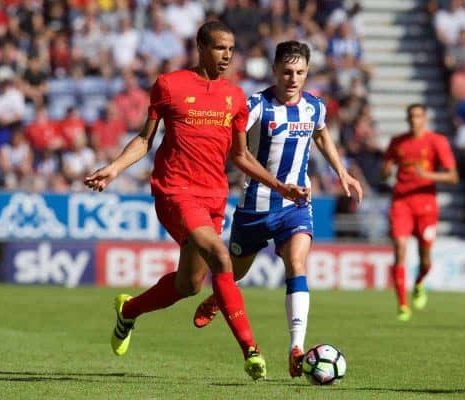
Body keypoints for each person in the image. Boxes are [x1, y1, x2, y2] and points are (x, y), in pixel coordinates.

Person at [83, 21, 309, 381]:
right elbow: (145, 139)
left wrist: (281, 187)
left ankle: (129, 310)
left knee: (189, 285)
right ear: (201, 47)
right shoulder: (169, 85)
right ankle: (251, 350)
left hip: (213, 196)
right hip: (175, 191)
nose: (227, 56)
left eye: (231, 50)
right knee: (221, 255)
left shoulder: (234, 97)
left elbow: (241, 156)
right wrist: (113, 169)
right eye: (220, 48)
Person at [191, 41, 363, 378]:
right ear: (274, 71)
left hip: (294, 206)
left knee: (296, 263)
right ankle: (218, 299)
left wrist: (341, 172)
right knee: (235, 273)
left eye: (299, 72)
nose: (293, 78)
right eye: (286, 71)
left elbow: (322, 135)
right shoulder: (257, 105)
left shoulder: (314, 107)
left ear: (307, 72)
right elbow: (234, 149)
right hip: (254, 207)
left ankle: (296, 346)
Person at [381, 104, 458, 322]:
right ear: (407, 119)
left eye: (418, 116)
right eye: (411, 116)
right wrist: (385, 171)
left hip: (426, 206)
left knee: (425, 260)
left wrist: (428, 175)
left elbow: (453, 177)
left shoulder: (437, 141)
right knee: (400, 248)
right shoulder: (397, 142)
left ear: (425, 119)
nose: (414, 120)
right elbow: (384, 171)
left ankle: (419, 283)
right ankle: (403, 305)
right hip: (401, 203)